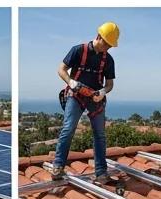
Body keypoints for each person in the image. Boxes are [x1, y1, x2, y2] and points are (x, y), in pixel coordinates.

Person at [43, 22, 119, 184]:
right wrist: (71, 82)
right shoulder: (78, 50)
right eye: (106, 44)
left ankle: (101, 172)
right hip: (76, 95)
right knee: (68, 128)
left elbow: (109, 84)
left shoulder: (108, 60)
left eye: (110, 46)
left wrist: (102, 93)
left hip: (95, 98)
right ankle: (58, 166)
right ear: (99, 37)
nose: (108, 48)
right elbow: (61, 69)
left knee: (100, 134)